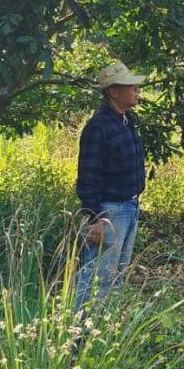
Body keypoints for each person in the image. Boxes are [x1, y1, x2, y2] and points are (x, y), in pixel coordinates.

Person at [74, 61, 148, 310]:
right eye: (130, 86)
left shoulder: (126, 121)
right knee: (97, 275)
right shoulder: (98, 127)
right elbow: (88, 176)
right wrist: (94, 218)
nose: (136, 90)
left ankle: (101, 331)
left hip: (129, 207)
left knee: (115, 276)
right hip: (110, 212)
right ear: (114, 92)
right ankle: (78, 336)